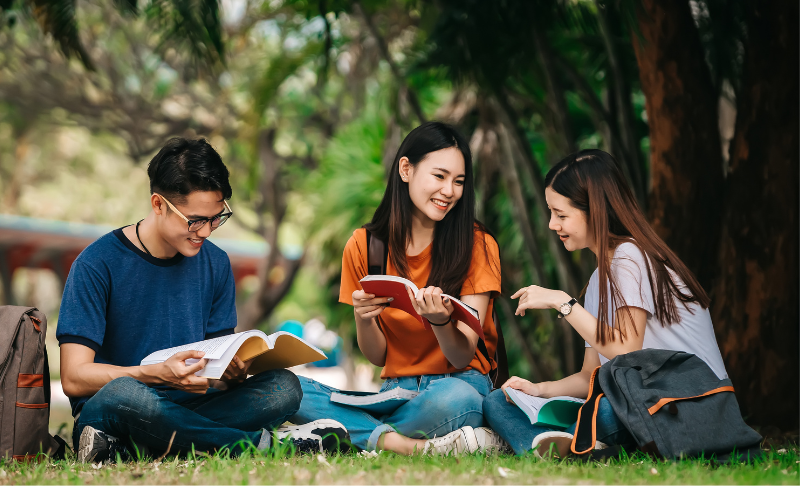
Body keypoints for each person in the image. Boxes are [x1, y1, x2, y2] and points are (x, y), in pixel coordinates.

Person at [57, 138, 346, 463]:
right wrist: (152, 374)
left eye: (216, 218)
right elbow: (73, 377)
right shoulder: (97, 264)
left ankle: (137, 447)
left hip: (193, 406)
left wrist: (231, 372)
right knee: (125, 393)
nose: (206, 231)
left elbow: (215, 365)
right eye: (195, 220)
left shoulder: (216, 264)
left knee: (284, 387)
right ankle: (265, 447)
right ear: (158, 204)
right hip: (123, 406)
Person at [483, 149, 729, 457]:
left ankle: (564, 446)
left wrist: (563, 302)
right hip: (643, 404)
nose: (550, 224)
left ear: (595, 210)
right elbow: (590, 376)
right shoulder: (602, 276)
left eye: (560, 215)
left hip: (691, 406)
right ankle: (566, 447)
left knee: (607, 412)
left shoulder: (630, 257)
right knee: (498, 401)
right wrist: (538, 390)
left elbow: (626, 350)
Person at [289, 122, 506, 455]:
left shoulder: (478, 245)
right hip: (392, 393)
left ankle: (348, 432)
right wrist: (364, 317)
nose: (449, 191)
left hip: (456, 387)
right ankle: (407, 445)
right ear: (406, 169)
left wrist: (440, 323)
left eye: (459, 181)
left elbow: (462, 354)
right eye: (439, 176)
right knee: (288, 387)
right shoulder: (364, 246)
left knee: (458, 401)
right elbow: (377, 357)